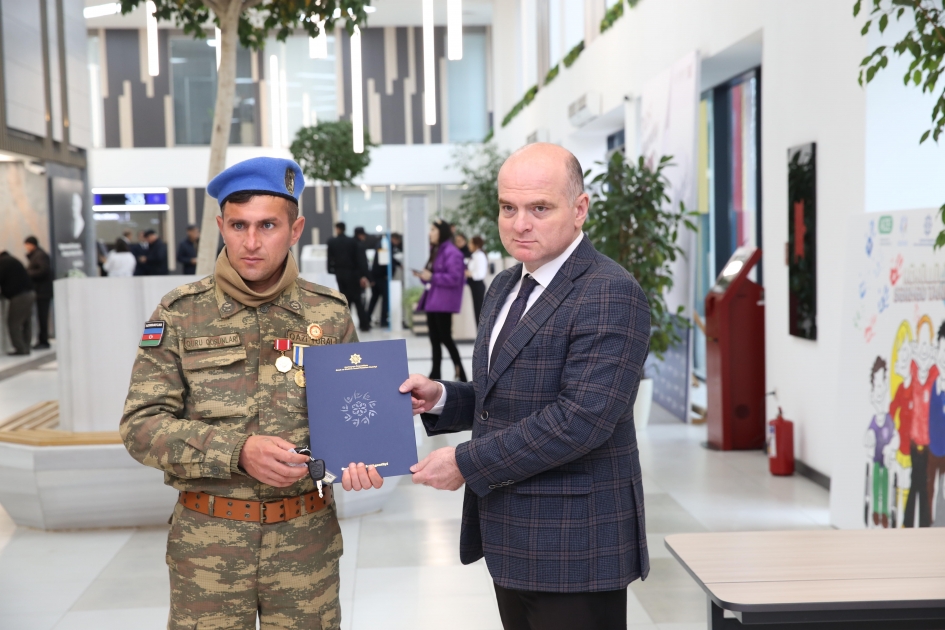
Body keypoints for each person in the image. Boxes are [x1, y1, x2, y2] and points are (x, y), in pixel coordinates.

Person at [120, 157, 382, 630]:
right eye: (238, 225)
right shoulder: (180, 313)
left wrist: (366, 455)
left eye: (268, 225)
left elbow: (355, 418)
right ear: (221, 225)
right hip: (209, 546)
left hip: (306, 542)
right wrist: (237, 451)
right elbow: (141, 426)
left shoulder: (330, 314)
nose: (252, 242)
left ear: (295, 229)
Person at [400, 143, 650, 630]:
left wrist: (465, 462)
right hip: (510, 534)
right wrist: (444, 397)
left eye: (539, 208)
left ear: (580, 209)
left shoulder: (609, 291)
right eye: (508, 208)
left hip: (576, 544)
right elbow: (509, 394)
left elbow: (579, 420)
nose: (520, 224)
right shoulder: (505, 285)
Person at [414, 220, 467, 382]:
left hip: (443, 302)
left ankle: (461, 371)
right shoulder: (435, 250)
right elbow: (431, 276)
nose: (429, 233)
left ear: (441, 232)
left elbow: (455, 278)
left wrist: (432, 277)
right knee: (435, 340)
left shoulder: (452, 253)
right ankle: (435, 374)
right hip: (433, 301)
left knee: (445, 338)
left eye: (433, 230)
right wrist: (424, 276)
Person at [326, 222, 371, 332]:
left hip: (340, 273)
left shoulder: (332, 242)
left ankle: (346, 326)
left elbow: (329, 258)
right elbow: (359, 260)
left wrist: (331, 270)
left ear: (337, 229)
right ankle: (364, 324)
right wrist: (363, 275)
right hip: (353, 274)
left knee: (345, 300)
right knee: (357, 300)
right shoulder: (352, 242)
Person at [0, 251, 36, 355]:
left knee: (14, 323)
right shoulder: (13, 260)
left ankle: (20, 348)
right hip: (30, 293)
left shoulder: (3, 262)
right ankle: (26, 347)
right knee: (26, 322)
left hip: (20, 296)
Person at [367, 233, 402, 329]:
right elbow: (386, 261)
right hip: (382, 277)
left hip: (376, 276)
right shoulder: (385, 245)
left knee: (374, 298)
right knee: (385, 299)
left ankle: (367, 318)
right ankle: (383, 321)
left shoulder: (382, 244)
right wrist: (396, 266)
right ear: (394, 239)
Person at [23, 236, 53, 350]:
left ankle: (43, 340)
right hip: (40, 291)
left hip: (42, 291)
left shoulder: (39, 255)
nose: (26, 247)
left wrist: (28, 273)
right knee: (40, 317)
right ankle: (42, 339)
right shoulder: (37, 255)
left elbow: (43, 270)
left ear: (32, 244)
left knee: (42, 317)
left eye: (27, 244)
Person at [466, 235, 488, 326]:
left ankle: (481, 333)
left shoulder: (480, 255)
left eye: (470, 243)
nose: (469, 245)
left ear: (476, 244)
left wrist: (469, 274)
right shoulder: (474, 255)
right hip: (474, 286)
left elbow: (480, 274)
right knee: (477, 312)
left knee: (479, 312)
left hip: (478, 285)